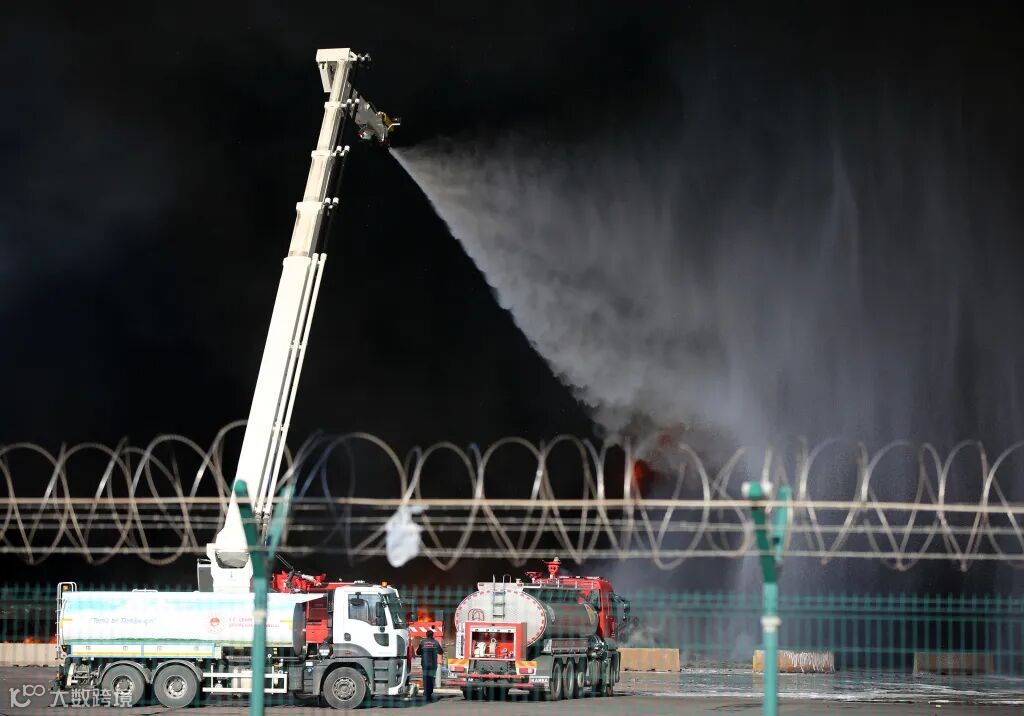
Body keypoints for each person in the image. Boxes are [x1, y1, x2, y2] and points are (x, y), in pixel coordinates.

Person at [415, 630, 443, 702]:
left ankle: (426, 692)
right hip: (433, 664)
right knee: (431, 678)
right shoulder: (435, 642)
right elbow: (441, 652)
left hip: (425, 663)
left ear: (426, 635)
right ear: (432, 635)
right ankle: (430, 692)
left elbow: (418, 652)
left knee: (425, 678)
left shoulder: (423, 642)